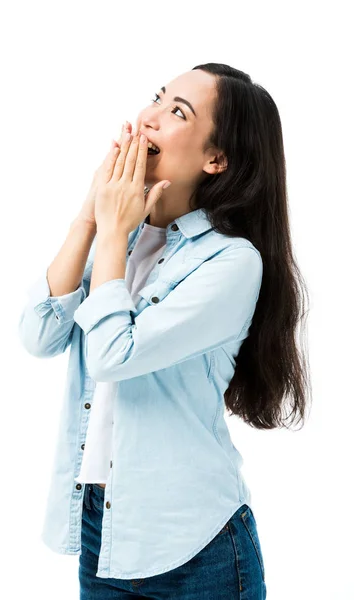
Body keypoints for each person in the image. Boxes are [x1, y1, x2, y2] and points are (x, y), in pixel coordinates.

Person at [18, 63, 311, 599]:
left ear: (215, 159)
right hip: (102, 529)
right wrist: (90, 217)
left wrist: (110, 232)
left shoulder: (231, 262)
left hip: (198, 550)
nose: (149, 117)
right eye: (158, 97)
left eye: (178, 112)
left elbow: (112, 355)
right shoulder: (121, 240)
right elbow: (39, 335)